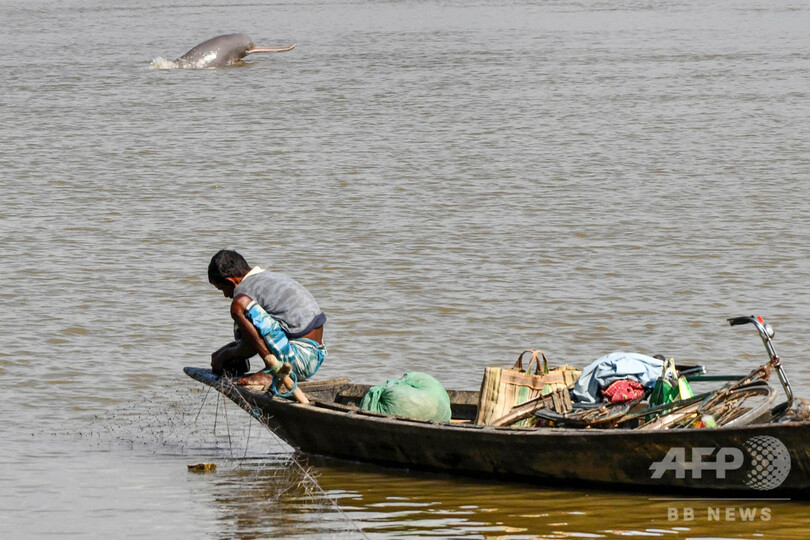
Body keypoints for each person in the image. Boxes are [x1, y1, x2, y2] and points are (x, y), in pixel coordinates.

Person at [207, 249, 327, 387]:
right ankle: (272, 368)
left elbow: (250, 347)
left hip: (297, 360)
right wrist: (223, 353)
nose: (225, 295)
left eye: (222, 289)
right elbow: (253, 339)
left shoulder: (244, 290)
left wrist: (225, 356)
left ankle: (272, 372)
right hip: (315, 354)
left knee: (239, 304)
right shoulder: (266, 278)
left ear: (231, 281)